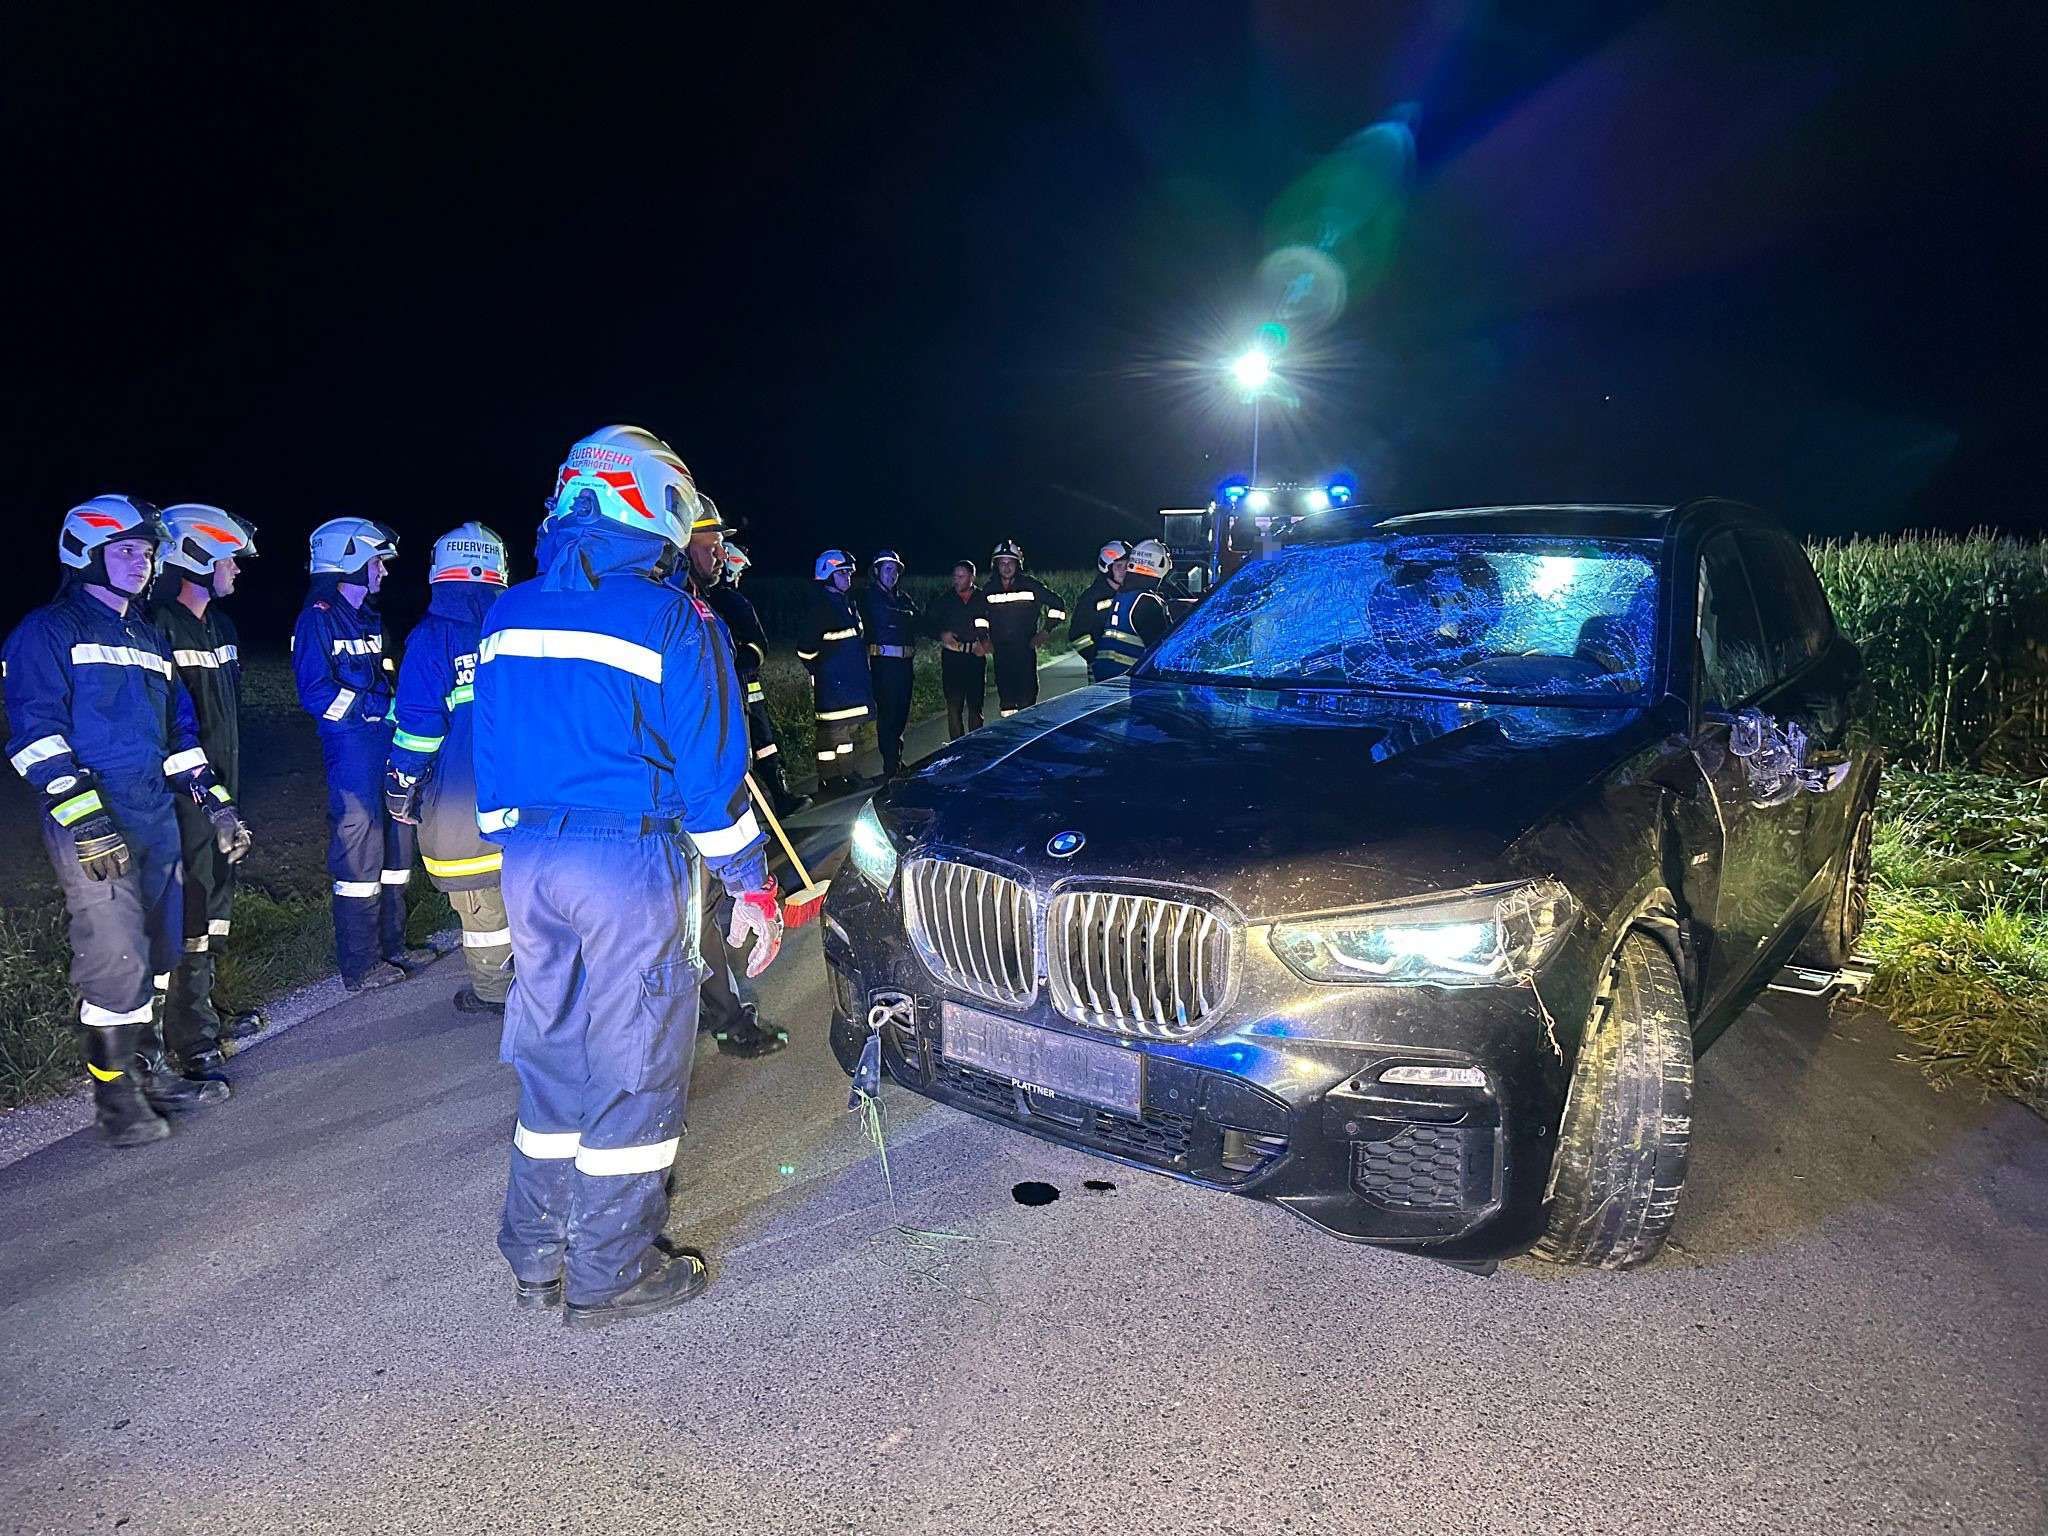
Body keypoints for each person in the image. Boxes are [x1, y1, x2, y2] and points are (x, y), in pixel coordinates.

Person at [475, 423, 784, 1328]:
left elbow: (490, 768)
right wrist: (750, 887)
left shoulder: (507, 613)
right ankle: (612, 1270)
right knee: (637, 1056)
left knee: (552, 1056)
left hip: (528, 862)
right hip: (626, 862)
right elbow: (709, 777)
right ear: (652, 505)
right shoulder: (672, 618)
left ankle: (535, 1255)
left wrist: (524, 845)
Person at [4, 496, 250, 1145]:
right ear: (84, 556)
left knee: (161, 948)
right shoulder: (47, 631)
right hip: (95, 818)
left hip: (154, 814)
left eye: (145, 553)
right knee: (114, 955)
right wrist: (85, 820)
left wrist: (213, 802)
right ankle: (115, 1102)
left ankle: (150, 1068)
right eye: (125, 552)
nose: (140, 564)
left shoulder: (145, 636)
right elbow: (35, 734)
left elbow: (178, 732)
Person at [293, 519, 436, 993]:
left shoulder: (371, 618)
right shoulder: (317, 618)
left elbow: (387, 673)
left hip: (385, 741)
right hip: (350, 747)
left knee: (398, 843)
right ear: (349, 562)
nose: (383, 572)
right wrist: (377, 706)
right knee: (360, 847)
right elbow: (316, 693)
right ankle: (360, 964)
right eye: (376, 562)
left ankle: (392, 947)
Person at [149, 504, 265, 1070]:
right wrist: (203, 793)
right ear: (196, 558)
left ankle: (205, 1011)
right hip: (183, 794)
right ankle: (187, 1036)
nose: (238, 570)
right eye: (230, 560)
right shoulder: (157, 626)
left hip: (222, 787)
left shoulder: (222, 628)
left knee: (217, 900)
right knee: (191, 902)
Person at [676, 501, 789, 1062]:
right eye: (710, 541)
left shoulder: (701, 605)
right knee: (696, 909)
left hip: (683, 800)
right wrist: (750, 877)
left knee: (703, 906)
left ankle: (718, 1010)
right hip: (678, 807)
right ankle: (723, 1018)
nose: (720, 552)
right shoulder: (680, 616)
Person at [385, 523, 514, 1014]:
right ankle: (551, 985)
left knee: (483, 911)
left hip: (466, 805)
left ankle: (494, 993)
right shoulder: (518, 625)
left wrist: (402, 784)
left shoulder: (432, 638)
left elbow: (419, 728)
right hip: (534, 798)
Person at [703, 540, 806, 818]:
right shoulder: (732, 601)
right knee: (751, 749)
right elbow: (759, 643)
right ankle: (764, 806)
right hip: (742, 689)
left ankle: (774, 800)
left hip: (741, 688)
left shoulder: (704, 600)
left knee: (759, 747)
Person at [797, 549, 874, 795]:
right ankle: (834, 779)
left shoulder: (845, 603)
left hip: (849, 684)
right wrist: (822, 671)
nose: (848, 578)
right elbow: (805, 649)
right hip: (833, 686)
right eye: (842, 573)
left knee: (847, 735)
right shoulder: (822, 607)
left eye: (849, 573)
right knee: (834, 738)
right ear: (828, 575)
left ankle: (844, 776)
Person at [983, 538, 1067, 717]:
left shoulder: (1030, 585)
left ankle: (1026, 737)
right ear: (996, 565)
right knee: (1006, 703)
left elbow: (1058, 606)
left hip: (1024, 650)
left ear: (1018, 564)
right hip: (1001, 653)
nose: (1006, 567)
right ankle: (1010, 737)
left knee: (1027, 699)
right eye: (1002, 563)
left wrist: (1046, 631)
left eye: (1010, 562)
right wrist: (984, 638)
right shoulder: (989, 589)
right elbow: (979, 617)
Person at [858, 549, 921, 777]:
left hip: (904, 665)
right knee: (888, 716)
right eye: (887, 569)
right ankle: (890, 767)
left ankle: (896, 760)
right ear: (876, 572)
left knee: (901, 714)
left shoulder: (902, 598)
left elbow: (918, 619)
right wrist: (908, 618)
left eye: (895, 570)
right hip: (884, 665)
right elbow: (890, 617)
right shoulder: (870, 597)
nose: (892, 574)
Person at [1091, 538, 1178, 680]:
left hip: (1108, 677)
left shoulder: (1123, 594)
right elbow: (1162, 649)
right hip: (1131, 680)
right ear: (1162, 565)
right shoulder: (1147, 601)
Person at [929, 559, 990, 738]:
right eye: (955, 576)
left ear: (972, 577)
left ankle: (976, 745)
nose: (957, 580)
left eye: (961, 576)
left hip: (975, 658)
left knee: (975, 706)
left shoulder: (982, 598)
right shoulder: (945, 600)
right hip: (952, 659)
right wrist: (941, 634)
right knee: (954, 707)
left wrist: (986, 642)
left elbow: (993, 622)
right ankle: (957, 747)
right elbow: (928, 623)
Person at [1071, 539, 1130, 682]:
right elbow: (1077, 634)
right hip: (1101, 671)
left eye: (1128, 565)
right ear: (1107, 568)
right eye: (1119, 566)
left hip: (1130, 667)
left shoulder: (1133, 594)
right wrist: (1094, 659)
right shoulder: (1091, 598)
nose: (1124, 571)